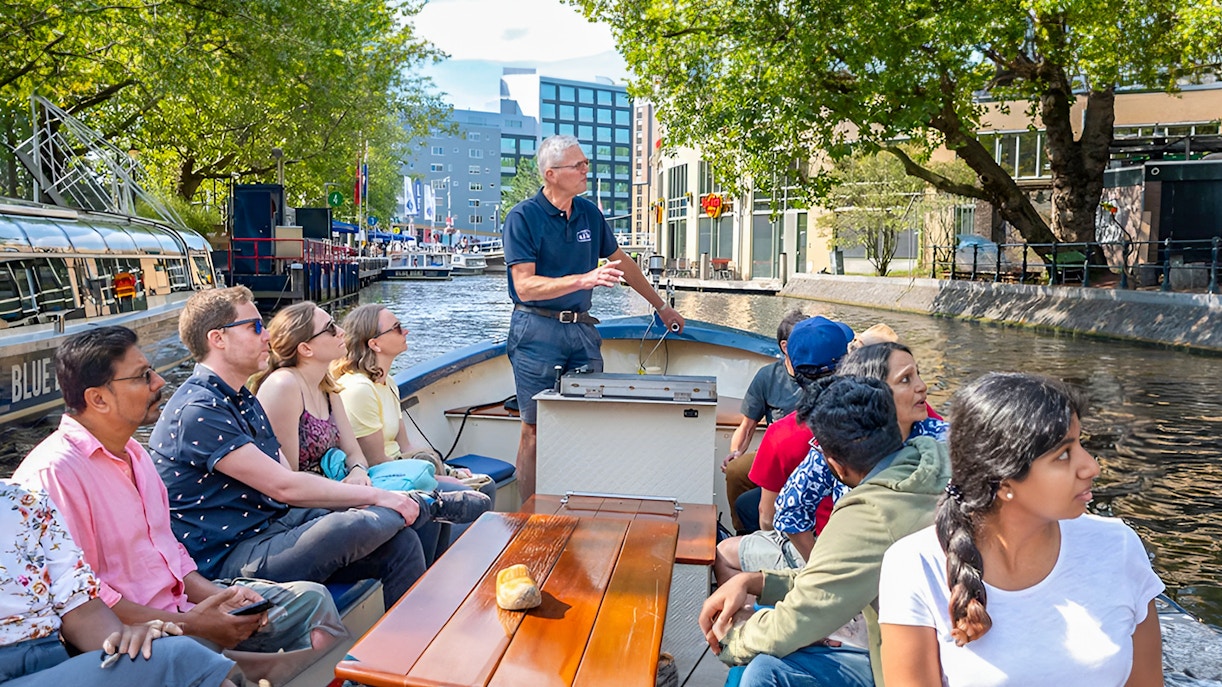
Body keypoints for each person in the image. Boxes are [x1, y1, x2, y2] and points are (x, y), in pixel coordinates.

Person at [13, 326, 345, 683]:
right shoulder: (55, 474)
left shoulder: (136, 453)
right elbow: (83, 601)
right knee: (201, 653)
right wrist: (193, 624)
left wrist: (223, 596)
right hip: (139, 635)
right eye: (143, 376)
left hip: (183, 609)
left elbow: (171, 555)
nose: (159, 382)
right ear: (98, 399)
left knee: (311, 602)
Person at [148, 286, 476, 611]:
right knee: (352, 524)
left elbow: (284, 477)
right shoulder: (198, 410)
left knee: (401, 542)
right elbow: (284, 485)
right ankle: (426, 504)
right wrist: (380, 496)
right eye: (255, 327)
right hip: (231, 556)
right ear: (218, 338)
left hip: (273, 525)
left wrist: (370, 493)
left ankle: (411, 640)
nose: (266, 336)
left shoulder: (241, 399)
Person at [879, 373, 1164, 686]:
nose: (1091, 467)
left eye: (1081, 443)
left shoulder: (1118, 547)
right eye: (1063, 455)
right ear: (1004, 482)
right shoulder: (916, 565)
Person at [698, 375, 950, 687]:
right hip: (937, 649)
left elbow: (796, 621)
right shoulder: (934, 460)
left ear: (836, 464)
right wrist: (757, 582)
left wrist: (731, 638)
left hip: (906, 669)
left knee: (761, 671)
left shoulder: (868, 516)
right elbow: (837, 576)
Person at [503, 133, 685, 500]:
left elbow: (623, 263)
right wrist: (584, 279)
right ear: (552, 174)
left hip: (582, 331)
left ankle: (580, 505)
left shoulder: (589, 213)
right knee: (533, 429)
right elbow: (524, 286)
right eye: (578, 165)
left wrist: (661, 306)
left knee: (589, 421)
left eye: (586, 163)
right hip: (535, 331)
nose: (587, 170)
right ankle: (530, 514)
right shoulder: (523, 217)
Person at [251, 302, 491, 563]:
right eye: (330, 328)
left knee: (427, 506)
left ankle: (439, 572)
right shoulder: (284, 386)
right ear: (306, 348)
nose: (341, 331)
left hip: (341, 489)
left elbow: (354, 453)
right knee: (417, 520)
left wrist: (357, 472)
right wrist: (352, 491)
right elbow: (289, 479)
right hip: (309, 507)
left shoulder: (327, 388)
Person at [0, 480, 236, 687]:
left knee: (163, 654)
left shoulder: (27, 501)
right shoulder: (51, 470)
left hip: (54, 662)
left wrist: (125, 638)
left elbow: (80, 609)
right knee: (181, 657)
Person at [774, 341, 947, 561]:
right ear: (873, 391)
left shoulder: (945, 440)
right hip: (851, 559)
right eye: (906, 379)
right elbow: (790, 509)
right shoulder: (837, 445)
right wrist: (822, 567)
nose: (922, 386)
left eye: (917, 375)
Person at [714, 315, 854, 583]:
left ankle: (761, 591)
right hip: (867, 542)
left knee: (724, 551)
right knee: (739, 478)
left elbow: (770, 517)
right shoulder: (880, 411)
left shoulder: (786, 433)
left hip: (825, 553)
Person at [722, 309, 821, 534]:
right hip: (777, 449)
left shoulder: (821, 371)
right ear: (785, 347)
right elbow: (747, 426)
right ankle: (743, 533)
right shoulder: (767, 376)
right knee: (736, 470)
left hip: (814, 448)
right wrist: (736, 452)